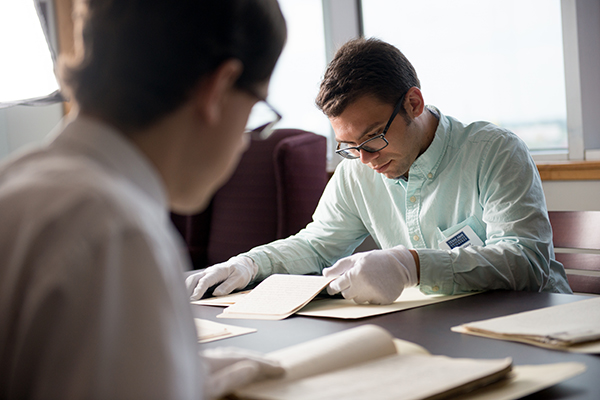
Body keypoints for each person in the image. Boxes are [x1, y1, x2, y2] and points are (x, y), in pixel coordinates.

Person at [0, 0, 286, 398]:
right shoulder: (116, 234)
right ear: (218, 89)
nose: (242, 143)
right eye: (256, 110)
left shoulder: (16, 182)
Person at [187, 37, 572, 305]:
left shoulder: (494, 151)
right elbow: (317, 244)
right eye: (350, 147)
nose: (365, 160)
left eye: (372, 139)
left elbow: (526, 262)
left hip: (534, 325)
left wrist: (412, 265)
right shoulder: (357, 170)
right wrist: (250, 263)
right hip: (436, 326)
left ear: (414, 102)